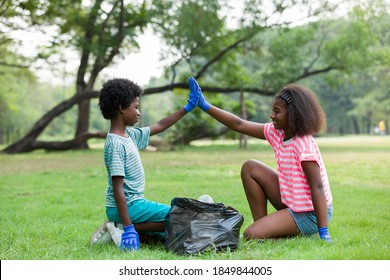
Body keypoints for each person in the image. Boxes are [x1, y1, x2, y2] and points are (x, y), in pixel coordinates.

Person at [193, 78, 333, 242]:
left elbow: (317, 187)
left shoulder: (303, 144)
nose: (272, 115)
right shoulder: (277, 133)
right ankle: (262, 226)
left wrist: (323, 231)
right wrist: (204, 105)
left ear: (293, 114)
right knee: (250, 167)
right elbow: (239, 124)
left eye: (277, 111)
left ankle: (264, 232)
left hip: (310, 213)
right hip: (293, 202)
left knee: (250, 235)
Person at [91, 77, 199, 250]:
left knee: (172, 230)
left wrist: (187, 108)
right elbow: (118, 188)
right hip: (127, 206)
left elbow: (160, 125)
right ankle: (119, 228)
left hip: (134, 204)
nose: (139, 113)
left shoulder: (129, 136)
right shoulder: (116, 144)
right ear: (121, 108)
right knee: (181, 216)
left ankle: (127, 229)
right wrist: (128, 227)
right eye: (136, 107)